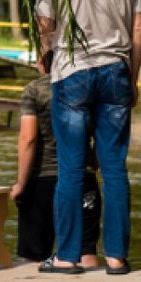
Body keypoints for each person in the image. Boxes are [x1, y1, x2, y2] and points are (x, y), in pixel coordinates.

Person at [36, 0, 141, 277]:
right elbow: (139, 28)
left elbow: (46, 25)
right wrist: (131, 76)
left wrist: (44, 54)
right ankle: (116, 257)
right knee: (114, 169)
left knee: (70, 169)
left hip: (73, 72)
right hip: (115, 69)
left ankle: (67, 257)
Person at [12, 52, 101, 268]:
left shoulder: (34, 90)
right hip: (83, 180)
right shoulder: (87, 89)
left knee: (34, 256)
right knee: (86, 251)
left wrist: (21, 185)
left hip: (43, 181)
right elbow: (100, 134)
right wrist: (93, 164)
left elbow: (29, 139)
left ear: (42, 62)